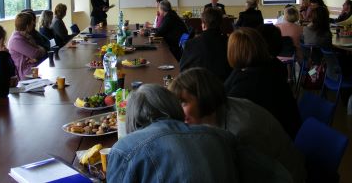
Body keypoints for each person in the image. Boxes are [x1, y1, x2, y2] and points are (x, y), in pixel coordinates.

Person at [107, 84, 293, 183]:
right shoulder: (222, 137)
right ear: (173, 106)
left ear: (132, 118)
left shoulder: (124, 149)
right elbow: (280, 176)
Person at [170, 68, 306, 183]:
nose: (178, 111)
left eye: (183, 103)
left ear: (203, 98)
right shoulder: (221, 108)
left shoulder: (241, 132)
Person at [224, 28, 301, 139]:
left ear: (233, 52)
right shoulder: (273, 66)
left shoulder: (248, 82)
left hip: (274, 142)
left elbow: (226, 106)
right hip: (286, 133)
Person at [180, 8, 231, 81]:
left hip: (200, 88)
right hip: (225, 88)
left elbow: (183, 71)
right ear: (220, 23)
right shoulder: (230, 42)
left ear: (203, 25)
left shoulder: (191, 44)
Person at [8, 12, 47, 79]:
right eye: (32, 23)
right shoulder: (16, 40)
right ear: (27, 26)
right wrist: (42, 50)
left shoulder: (26, 36)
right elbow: (36, 53)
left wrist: (38, 52)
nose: (34, 24)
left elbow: (36, 51)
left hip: (33, 69)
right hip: (26, 74)